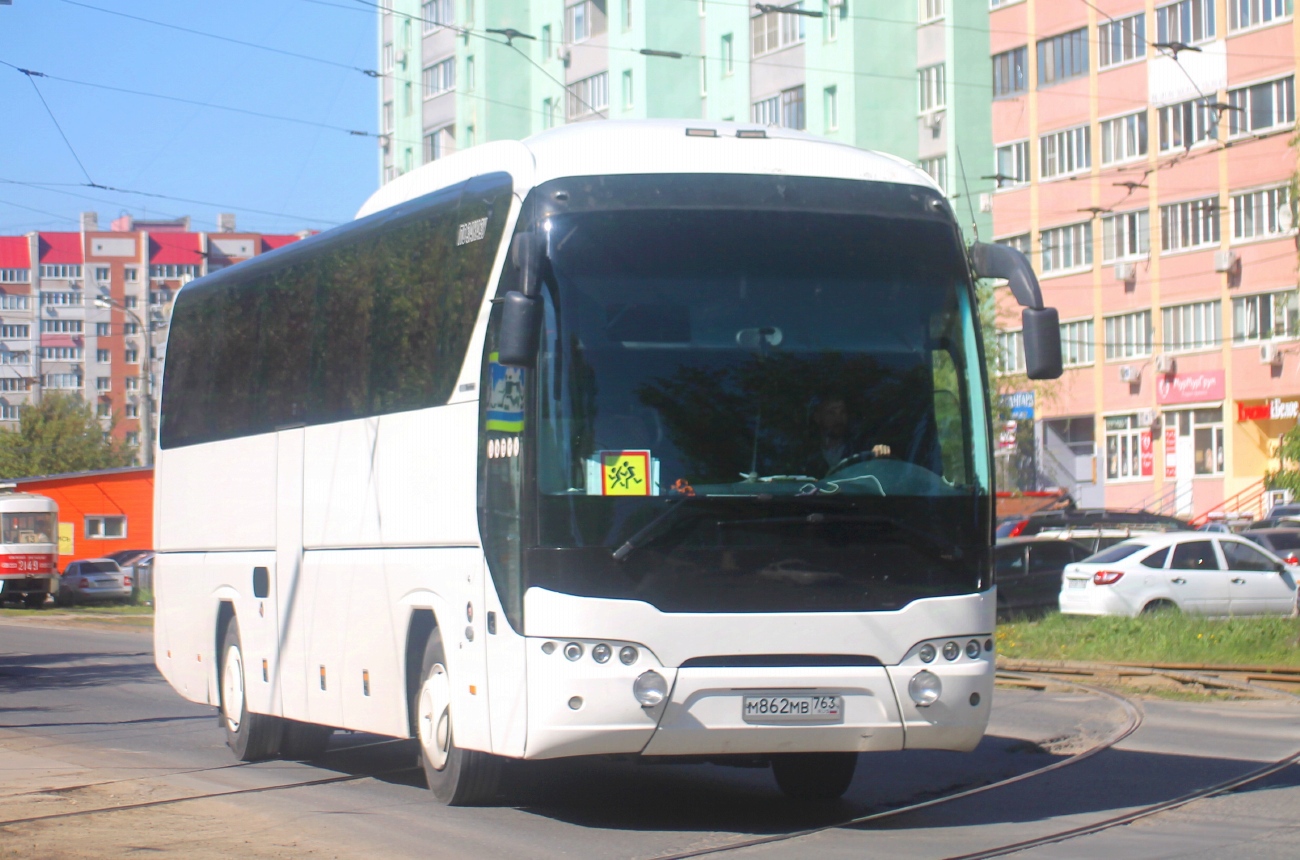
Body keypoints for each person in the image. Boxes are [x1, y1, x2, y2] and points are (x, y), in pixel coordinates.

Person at [807, 396, 890, 476]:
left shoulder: (860, 444)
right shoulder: (807, 451)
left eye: (842, 412)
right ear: (817, 417)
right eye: (831, 413)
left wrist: (878, 453)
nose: (838, 418)